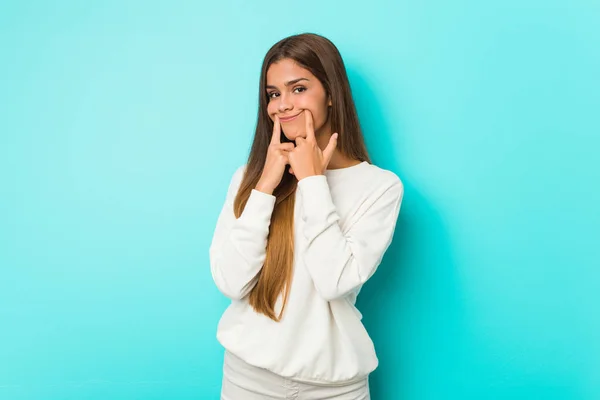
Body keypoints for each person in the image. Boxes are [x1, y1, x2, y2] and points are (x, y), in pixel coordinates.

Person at [209, 32, 404, 400]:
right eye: (273, 94)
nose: (282, 105)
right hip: (247, 378)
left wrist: (313, 181)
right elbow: (232, 283)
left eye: (298, 88)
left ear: (331, 94)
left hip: (334, 387)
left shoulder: (380, 187)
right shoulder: (247, 178)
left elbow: (335, 281)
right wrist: (265, 185)